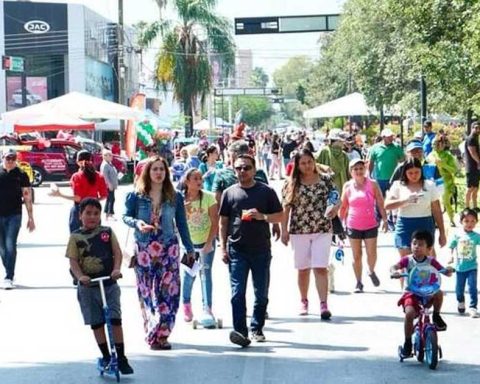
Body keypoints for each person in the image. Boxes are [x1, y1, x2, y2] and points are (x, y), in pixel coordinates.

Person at [123, 156, 195, 350]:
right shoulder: (136, 196)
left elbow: (181, 224)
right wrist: (137, 223)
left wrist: (189, 248)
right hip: (144, 248)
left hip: (168, 248)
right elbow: (126, 216)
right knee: (147, 291)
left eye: (161, 169)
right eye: (154, 169)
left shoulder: (175, 196)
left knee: (169, 292)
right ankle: (152, 329)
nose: (158, 173)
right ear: (148, 172)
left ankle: (163, 334)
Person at [219, 154, 283, 347]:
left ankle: (257, 328)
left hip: (261, 249)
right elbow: (223, 222)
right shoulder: (229, 193)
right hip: (237, 249)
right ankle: (240, 331)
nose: (242, 171)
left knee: (261, 292)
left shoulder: (266, 191)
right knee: (237, 293)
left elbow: (280, 215)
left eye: (246, 167)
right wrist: (223, 247)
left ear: (254, 170)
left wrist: (262, 216)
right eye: (238, 168)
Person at [66, 198, 133, 375]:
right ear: (80, 215)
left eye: (96, 213)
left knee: (115, 319)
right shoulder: (75, 236)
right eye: (88, 213)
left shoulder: (107, 232)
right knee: (96, 322)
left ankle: (121, 357)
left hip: (109, 283)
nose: (92, 217)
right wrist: (81, 276)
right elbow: (73, 261)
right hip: (88, 287)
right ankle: (106, 355)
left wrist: (117, 269)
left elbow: (117, 253)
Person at [281, 149, 339, 318]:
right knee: (303, 268)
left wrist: (335, 209)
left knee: (320, 267)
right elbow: (286, 207)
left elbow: (337, 198)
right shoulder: (292, 183)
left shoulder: (326, 180)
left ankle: (323, 304)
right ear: (297, 166)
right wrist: (283, 229)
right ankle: (304, 300)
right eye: (303, 163)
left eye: (309, 162)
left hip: (322, 228)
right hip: (299, 230)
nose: (307, 166)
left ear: (314, 162)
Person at [390, 230, 452, 358]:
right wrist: (394, 271)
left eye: (421, 244)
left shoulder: (431, 261)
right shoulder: (407, 260)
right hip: (411, 293)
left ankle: (436, 315)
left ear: (429, 248)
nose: (416, 246)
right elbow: (394, 266)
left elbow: (442, 270)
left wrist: (448, 270)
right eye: (414, 243)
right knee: (409, 314)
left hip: (428, 291)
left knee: (439, 293)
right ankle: (407, 343)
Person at [339, 158, 388, 293]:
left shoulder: (372, 184)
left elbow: (380, 202)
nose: (359, 171)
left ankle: (371, 271)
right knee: (357, 255)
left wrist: (385, 219)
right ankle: (358, 282)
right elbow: (343, 206)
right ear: (351, 172)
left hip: (370, 224)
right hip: (353, 224)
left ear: (365, 169)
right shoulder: (348, 186)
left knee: (371, 253)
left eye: (361, 168)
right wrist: (338, 225)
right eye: (356, 169)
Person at [384, 158, 446, 262]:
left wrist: (442, 232)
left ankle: (429, 278)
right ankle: (405, 278)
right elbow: (387, 205)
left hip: (425, 224)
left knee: (426, 261)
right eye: (410, 173)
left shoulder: (429, 185)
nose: (414, 176)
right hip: (405, 224)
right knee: (406, 262)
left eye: (417, 172)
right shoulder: (398, 185)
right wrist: (405, 201)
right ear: (405, 172)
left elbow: (437, 210)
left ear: (421, 171)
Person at [181, 168, 219, 323]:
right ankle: (186, 304)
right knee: (189, 275)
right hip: (189, 245)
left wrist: (209, 243)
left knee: (206, 274)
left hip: (206, 243)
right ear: (187, 181)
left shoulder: (209, 197)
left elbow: (215, 221)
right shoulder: (181, 199)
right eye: (195, 178)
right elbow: (179, 224)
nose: (199, 182)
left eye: (200, 179)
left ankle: (207, 308)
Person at [0, 149, 35, 289]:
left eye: (13, 158)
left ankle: (9, 275)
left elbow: (27, 196)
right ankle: (8, 269)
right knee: (2, 247)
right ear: (2, 158)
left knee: (10, 244)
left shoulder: (21, 174)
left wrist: (31, 217)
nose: (10, 161)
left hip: (14, 214)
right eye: (8, 158)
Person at [50, 150, 108, 233]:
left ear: (78, 162)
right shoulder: (99, 176)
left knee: (76, 240)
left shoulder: (76, 176)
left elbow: (78, 198)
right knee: (95, 238)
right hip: (94, 210)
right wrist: (94, 200)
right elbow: (104, 195)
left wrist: (60, 194)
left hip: (79, 210)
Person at [448, 208, 480, 318]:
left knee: (472, 287)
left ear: (476, 221)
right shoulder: (458, 235)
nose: (470, 224)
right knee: (459, 288)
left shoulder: (476, 236)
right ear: (461, 222)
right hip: (460, 268)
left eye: (473, 221)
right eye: (466, 221)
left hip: (472, 267)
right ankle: (460, 301)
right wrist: (451, 256)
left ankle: (473, 307)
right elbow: (451, 246)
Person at [427, 136, 457, 227]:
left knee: (446, 202)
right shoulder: (430, 155)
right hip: (434, 182)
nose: (435, 145)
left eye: (437, 143)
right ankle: (436, 221)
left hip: (446, 182)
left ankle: (451, 219)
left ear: (443, 144)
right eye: (434, 144)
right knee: (435, 202)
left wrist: (443, 165)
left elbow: (454, 170)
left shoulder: (448, 156)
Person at [367, 128, 404, 197]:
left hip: (394, 179)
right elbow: (371, 162)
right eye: (389, 137)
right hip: (380, 179)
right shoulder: (375, 147)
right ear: (383, 137)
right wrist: (369, 175)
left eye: (392, 136)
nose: (391, 138)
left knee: (394, 199)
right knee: (379, 198)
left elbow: (403, 161)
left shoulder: (396, 147)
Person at [316, 129, 349, 195]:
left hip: (342, 189)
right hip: (326, 188)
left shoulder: (344, 155)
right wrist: (322, 166)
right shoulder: (324, 151)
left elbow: (348, 173)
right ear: (334, 140)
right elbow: (312, 163)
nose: (343, 141)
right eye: (341, 140)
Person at [465, 122, 480, 211]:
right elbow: (472, 152)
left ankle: (475, 206)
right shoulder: (471, 139)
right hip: (471, 167)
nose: (478, 130)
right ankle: (467, 207)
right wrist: (479, 162)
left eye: (479, 128)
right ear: (472, 128)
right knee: (470, 188)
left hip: (476, 168)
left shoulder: (475, 138)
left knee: (475, 188)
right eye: (476, 128)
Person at [100, 149, 119, 221]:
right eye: (110, 155)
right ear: (104, 156)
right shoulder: (105, 165)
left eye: (111, 155)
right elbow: (105, 176)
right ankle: (110, 214)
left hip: (112, 184)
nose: (112, 156)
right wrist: (109, 184)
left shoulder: (109, 163)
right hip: (109, 185)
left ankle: (107, 214)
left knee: (110, 199)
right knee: (111, 199)